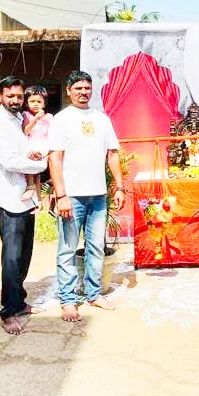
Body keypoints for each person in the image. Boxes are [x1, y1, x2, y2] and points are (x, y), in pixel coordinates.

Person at [49, 70, 126, 323]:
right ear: (69, 91)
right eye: (78, 88)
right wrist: (61, 195)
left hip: (98, 196)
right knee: (67, 249)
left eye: (87, 88)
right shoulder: (61, 119)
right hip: (72, 196)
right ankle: (68, 300)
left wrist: (119, 187)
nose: (83, 92)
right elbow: (54, 159)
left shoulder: (102, 118)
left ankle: (94, 294)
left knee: (95, 247)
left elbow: (112, 154)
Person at [0, 76, 49, 335]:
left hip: (25, 198)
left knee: (24, 253)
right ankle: (8, 312)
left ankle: (20, 302)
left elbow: (25, 151)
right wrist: (43, 164)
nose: (15, 100)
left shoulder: (19, 119)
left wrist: (34, 156)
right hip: (9, 198)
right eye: (10, 96)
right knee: (12, 258)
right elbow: (10, 161)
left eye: (19, 96)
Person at [22, 85, 52, 207]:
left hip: (44, 146)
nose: (35, 104)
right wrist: (35, 119)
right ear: (26, 103)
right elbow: (26, 131)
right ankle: (30, 187)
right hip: (31, 145)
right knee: (30, 164)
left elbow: (52, 133)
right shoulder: (26, 115)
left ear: (44, 103)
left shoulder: (49, 117)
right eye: (32, 101)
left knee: (38, 173)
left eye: (39, 102)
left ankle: (38, 197)